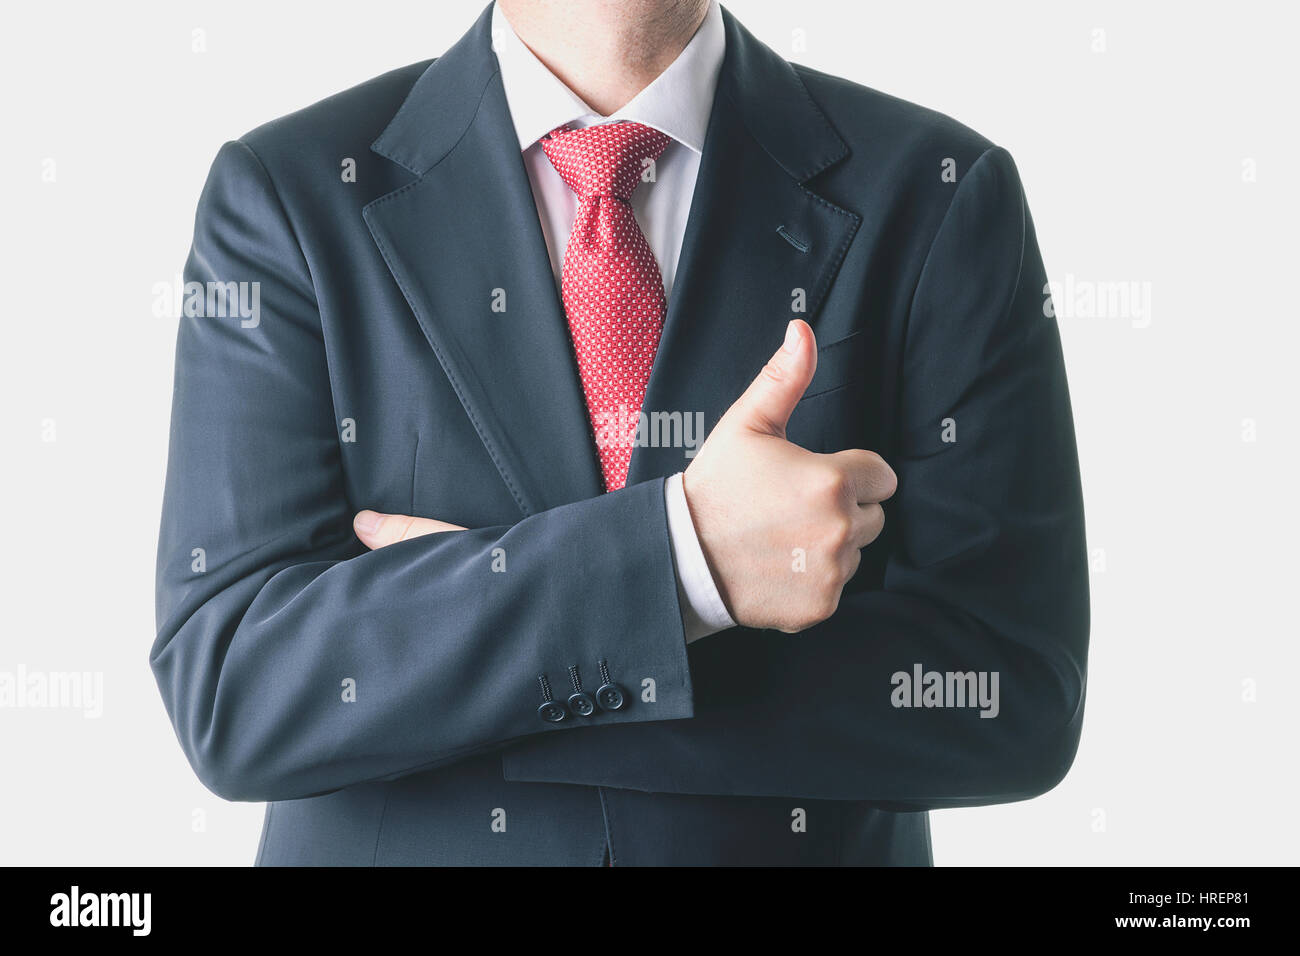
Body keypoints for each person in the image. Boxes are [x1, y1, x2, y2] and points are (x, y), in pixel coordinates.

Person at [153, 0, 1089, 866]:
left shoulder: (940, 191)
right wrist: (687, 564)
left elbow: (1015, 695)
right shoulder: (288, 194)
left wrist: (477, 635)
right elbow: (236, 688)